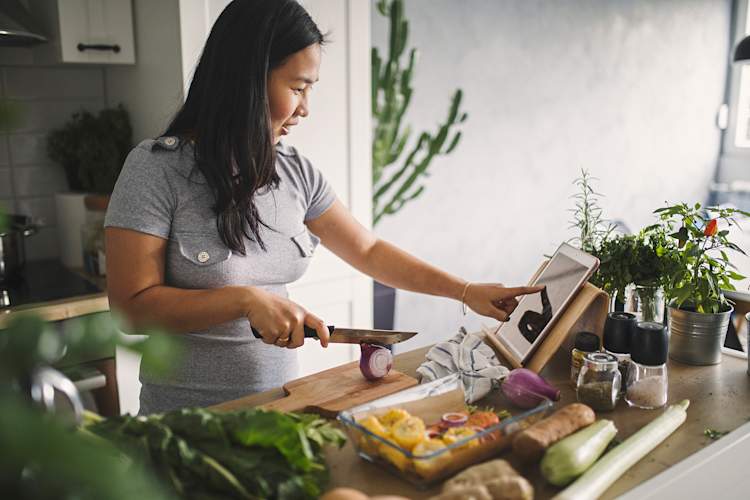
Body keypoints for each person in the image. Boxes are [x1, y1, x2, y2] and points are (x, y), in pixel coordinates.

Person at [104, 0, 542, 414]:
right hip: (185, 423)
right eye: (297, 88)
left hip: (280, 410)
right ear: (246, 80)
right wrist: (242, 300)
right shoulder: (156, 169)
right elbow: (131, 308)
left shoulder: (296, 173)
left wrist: (466, 292)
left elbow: (368, 251)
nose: (305, 109)